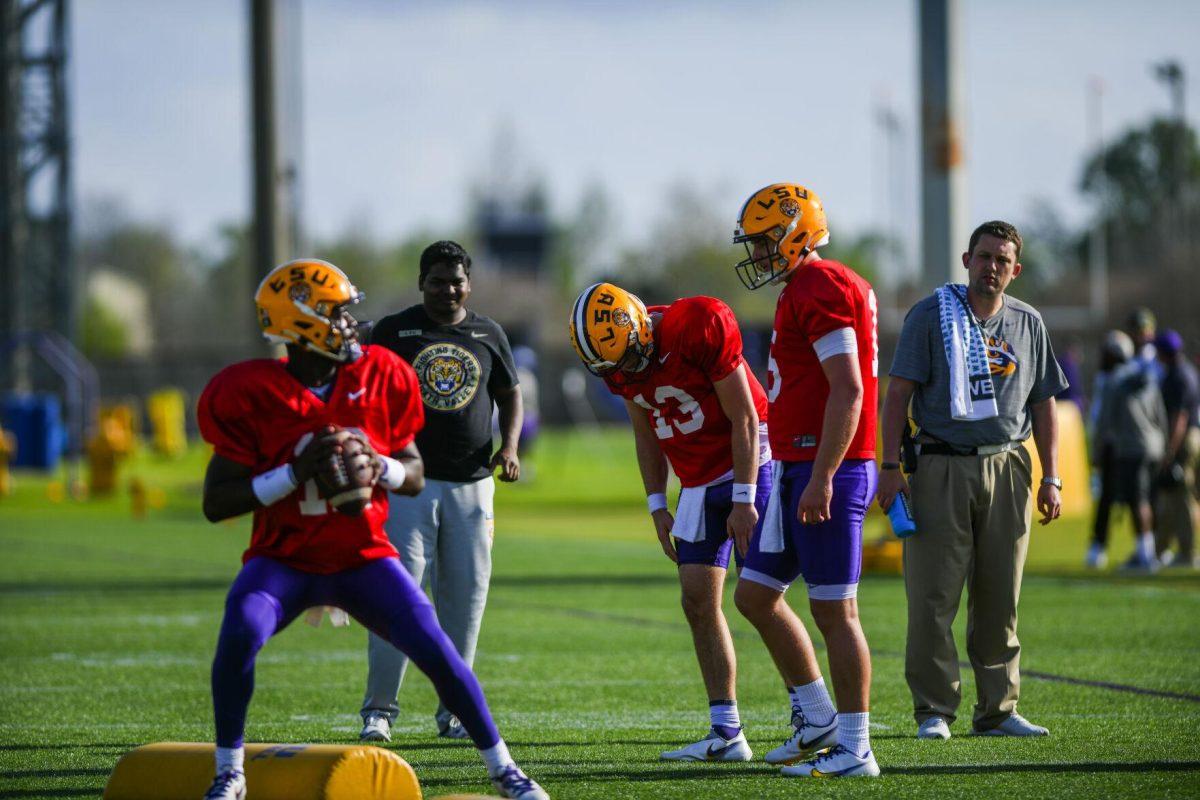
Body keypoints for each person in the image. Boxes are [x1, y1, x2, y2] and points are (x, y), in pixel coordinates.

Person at [197, 259, 547, 800]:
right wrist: (294, 474)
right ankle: (229, 771)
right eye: (336, 314)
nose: (349, 325)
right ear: (301, 323)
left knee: (438, 651)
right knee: (239, 632)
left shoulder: (377, 375)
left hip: (362, 557)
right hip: (283, 559)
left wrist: (374, 464)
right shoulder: (254, 391)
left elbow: (412, 475)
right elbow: (216, 503)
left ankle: (504, 768)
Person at [878, 220, 1067, 741]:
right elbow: (897, 395)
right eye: (984, 257)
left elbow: (1045, 401)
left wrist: (1053, 476)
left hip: (1008, 465)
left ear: (1015, 269)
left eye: (1002, 261)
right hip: (940, 465)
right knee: (933, 597)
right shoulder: (931, 315)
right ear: (966, 260)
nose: (991, 268)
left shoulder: (1028, 322)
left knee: (1000, 596)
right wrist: (890, 468)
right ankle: (934, 709)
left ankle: (998, 711)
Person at [569, 283, 771, 762]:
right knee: (698, 601)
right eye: (613, 367)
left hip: (753, 462)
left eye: (629, 360)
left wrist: (744, 499)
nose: (625, 373)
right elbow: (645, 433)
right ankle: (727, 732)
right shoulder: (618, 361)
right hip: (698, 481)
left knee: (762, 597)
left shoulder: (694, 325)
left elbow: (744, 417)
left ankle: (814, 713)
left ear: (639, 328)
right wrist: (656, 502)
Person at [729, 183, 881, 778]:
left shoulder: (821, 284)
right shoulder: (805, 286)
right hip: (798, 465)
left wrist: (823, 476)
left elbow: (849, 388)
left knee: (836, 611)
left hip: (827, 469)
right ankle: (818, 718)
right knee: (754, 595)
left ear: (796, 231)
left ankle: (856, 747)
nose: (761, 254)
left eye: (767, 240)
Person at [359, 240, 523, 742]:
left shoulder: (489, 332)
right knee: (398, 597)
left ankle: (454, 708)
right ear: (420, 282)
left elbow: (509, 393)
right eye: (437, 280)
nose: (447, 289)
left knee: (465, 601)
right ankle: (379, 711)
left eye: (456, 280)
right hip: (408, 485)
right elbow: (361, 389)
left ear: (468, 284)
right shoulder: (393, 331)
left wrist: (511, 447)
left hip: (473, 486)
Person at [1086, 331, 1136, 569]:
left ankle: (1144, 547)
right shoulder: (1106, 379)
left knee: (1134, 498)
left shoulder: (1123, 379)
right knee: (1108, 499)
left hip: (1120, 447)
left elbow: (1106, 419)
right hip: (1114, 446)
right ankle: (1100, 545)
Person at [1154, 329, 1200, 567]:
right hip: (1190, 436)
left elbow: (1179, 417)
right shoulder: (1186, 371)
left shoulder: (1177, 376)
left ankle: (1188, 552)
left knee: (1183, 496)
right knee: (1173, 496)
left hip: (1184, 438)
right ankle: (1163, 549)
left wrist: (1170, 450)